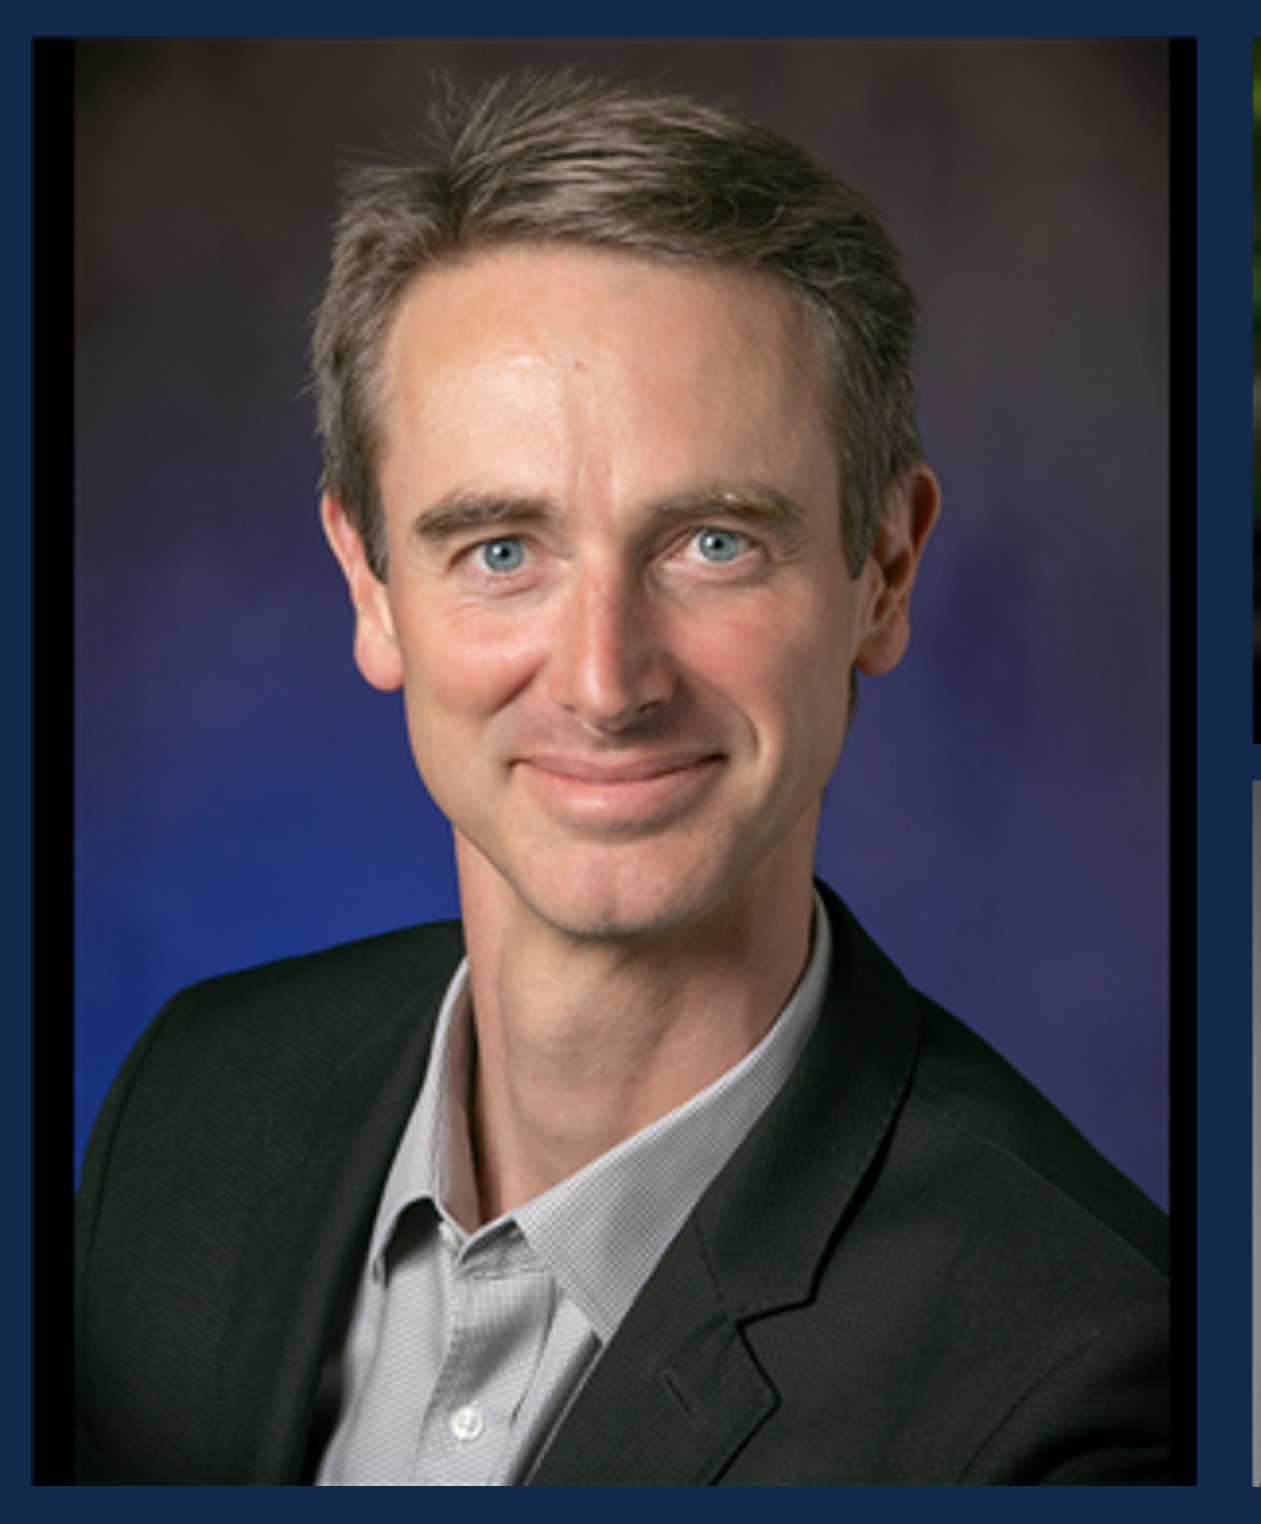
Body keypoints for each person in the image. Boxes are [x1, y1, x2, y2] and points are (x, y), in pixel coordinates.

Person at [69, 73, 1169, 1484]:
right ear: (371, 584)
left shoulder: (1085, 1378)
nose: (605, 681)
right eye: (500, 550)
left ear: (883, 571)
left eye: (713, 542)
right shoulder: (191, 1098)